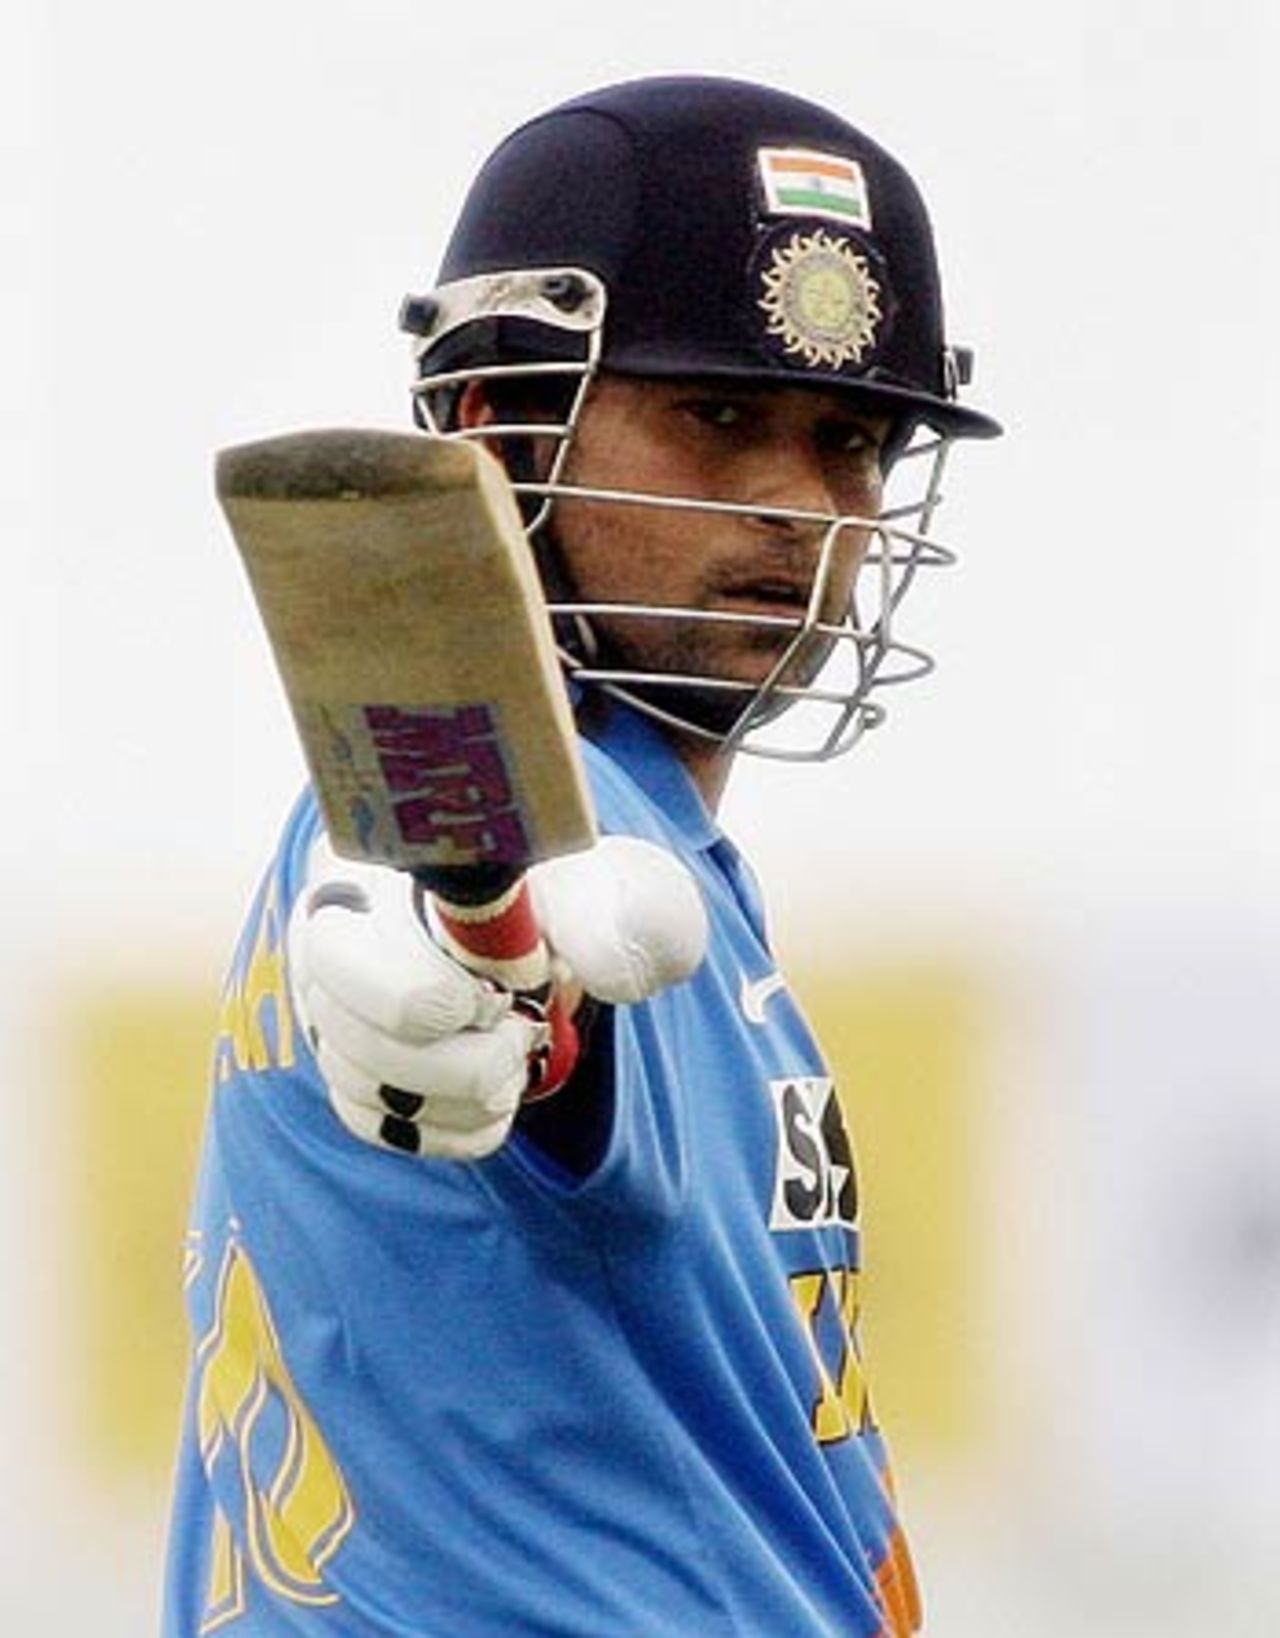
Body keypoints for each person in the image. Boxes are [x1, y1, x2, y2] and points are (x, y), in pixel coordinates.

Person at [164, 75, 999, 1637]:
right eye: (718, 418)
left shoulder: (704, 896)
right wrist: (494, 972)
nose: (796, 506)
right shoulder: (496, 829)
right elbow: (485, 944)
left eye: (851, 441)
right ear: (500, 422)